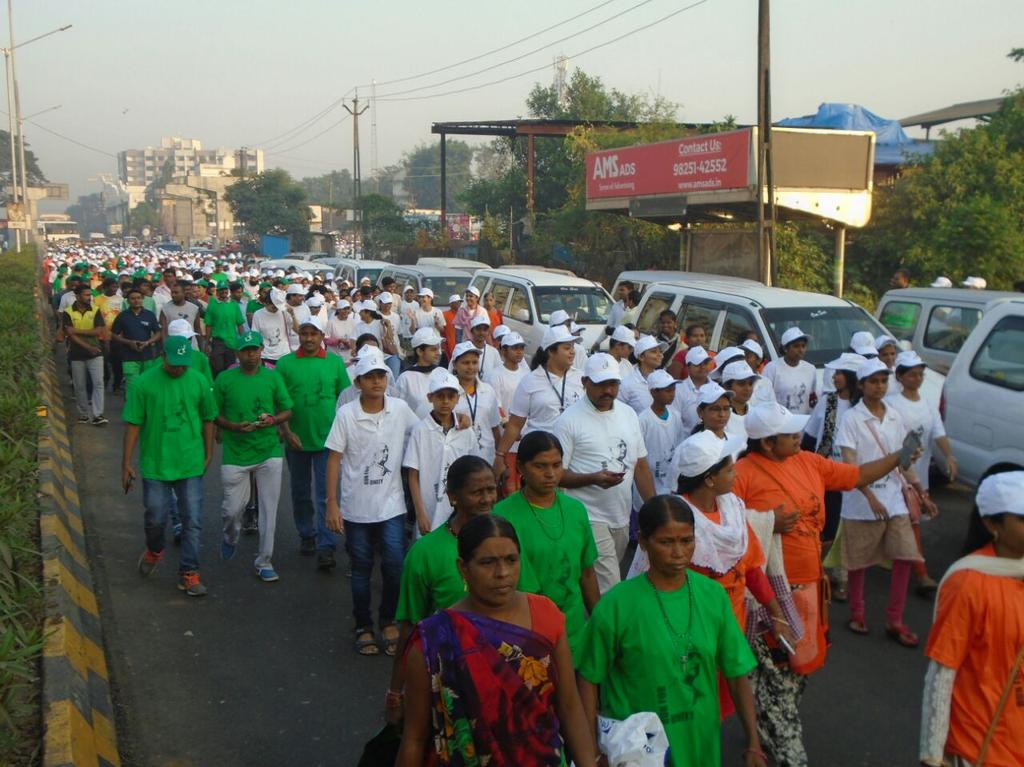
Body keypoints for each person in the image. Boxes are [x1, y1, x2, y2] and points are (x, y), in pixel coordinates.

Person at [733, 401, 921, 766]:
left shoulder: (808, 461)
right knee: (782, 679)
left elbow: (856, 476)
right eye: (790, 434)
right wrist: (765, 520)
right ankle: (784, 746)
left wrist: (899, 456)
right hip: (769, 597)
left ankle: (761, 723)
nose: (799, 437)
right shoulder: (741, 474)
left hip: (809, 590)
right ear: (767, 444)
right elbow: (725, 530)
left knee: (795, 676)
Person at [577, 495, 766, 767]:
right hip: (637, 753)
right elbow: (587, 678)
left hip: (700, 743)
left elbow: (736, 674)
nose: (678, 552)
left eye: (686, 540)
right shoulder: (617, 605)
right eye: (666, 542)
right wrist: (591, 749)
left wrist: (753, 743)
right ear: (643, 541)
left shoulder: (712, 595)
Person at [396, 514, 598, 767]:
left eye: (511, 560)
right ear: (463, 568)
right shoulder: (434, 639)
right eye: (487, 562)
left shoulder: (546, 615)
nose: (502, 573)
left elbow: (569, 706)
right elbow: (414, 737)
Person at [919, 471, 1024, 767]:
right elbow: (942, 671)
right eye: (1023, 519)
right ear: (993, 524)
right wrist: (932, 755)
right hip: (979, 746)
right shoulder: (968, 582)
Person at [836, 358, 937, 647]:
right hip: (860, 502)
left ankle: (895, 619)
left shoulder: (894, 416)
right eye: (874, 381)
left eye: (883, 381)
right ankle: (858, 612)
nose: (879, 386)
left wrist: (920, 492)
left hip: (893, 498)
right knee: (859, 562)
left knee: (905, 556)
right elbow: (850, 467)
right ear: (862, 385)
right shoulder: (852, 419)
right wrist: (869, 496)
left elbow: (901, 461)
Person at [325, 349, 418, 656]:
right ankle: (363, 624)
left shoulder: (400, 409)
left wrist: (456, 419)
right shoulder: (347, 415)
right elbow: (335, 459)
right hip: (357, 508)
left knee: (394, 565)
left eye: (381, 376)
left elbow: (423, 432)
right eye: (370, 377)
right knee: (362, 567)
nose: (377, 382)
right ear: (359, 382)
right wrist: (332, 504)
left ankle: (388, 618)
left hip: (392, 505)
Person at [122, 336, 218, 597]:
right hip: (156, 463)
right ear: (163, 357)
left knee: (193, 520)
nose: (179, 369)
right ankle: (155, 549)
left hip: (190, 462)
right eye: (174, 364)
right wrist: (126, 463)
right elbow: (133, 423)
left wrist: (209, 452)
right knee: (155, 517)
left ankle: (189, 571)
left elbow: (209, 418)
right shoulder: (143, 384)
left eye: (183, 364)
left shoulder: (198, 380)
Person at [553, 353, 656, 593]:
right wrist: (593, 479)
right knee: (609, 587)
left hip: (620, 515)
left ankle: (586, 622)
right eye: (600, 384)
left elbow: (640, 465)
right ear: (585, 382)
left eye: (613, 384)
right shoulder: (568, 421)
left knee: (593, 582)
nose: (608, 390)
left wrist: (654, 510)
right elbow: (557, 475)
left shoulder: (628, 414)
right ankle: (608, 630)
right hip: (587, 517)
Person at [493, 431, 600, 660]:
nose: (550, 474)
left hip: (573, 632)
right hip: (524, 634)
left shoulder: (575, 510)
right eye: (540, 466)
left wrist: (599, 622)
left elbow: (587, 573)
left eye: (556, 465)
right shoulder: (502, 516)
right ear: (521, 468)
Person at [213, 331, 293, 582]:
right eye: (246, 350)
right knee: (232, 509)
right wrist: (233, 427)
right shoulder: (225, 379)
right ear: (238, 353)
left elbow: (287, 409)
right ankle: (230, 536)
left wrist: (273, 421)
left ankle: (264, 560)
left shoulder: (273, 377)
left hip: (269, 450)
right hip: (236, 453)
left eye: (255, 349)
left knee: (269, 509)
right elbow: (214, 413)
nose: (251, 354)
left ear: (261, 350)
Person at [275, 317, 352, 571]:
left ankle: (326, 545)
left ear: (321, 336)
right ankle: (306, 534)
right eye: (304, 333)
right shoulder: (285, 363)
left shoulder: (334, 362)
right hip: (296, 439)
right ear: (299, 334)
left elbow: (345, 399)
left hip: (328, 440)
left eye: (313, 334)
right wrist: (286, 432)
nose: (308, 338)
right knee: (300, 492)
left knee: (326, 494)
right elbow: (278, 402)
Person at [887, 350, 957, 595]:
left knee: (908, 525)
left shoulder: (927, 404)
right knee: (910, 526)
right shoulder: (891, 405)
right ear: (900, 376)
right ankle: (921, 574)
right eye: (912, 374)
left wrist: (948, 456)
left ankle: (906, 567)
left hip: (919, 476)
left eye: (920, 374)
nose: (917, 379)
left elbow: (938, 433)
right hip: (895, 477)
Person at [492, 324, 584, 487]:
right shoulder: (530, 381)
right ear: (551, 351)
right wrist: (500, 455)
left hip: (576, 456)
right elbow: (515, 424)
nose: (572, 351)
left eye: (573, 347)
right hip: (540, 458)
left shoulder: (581, 379)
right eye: (566, 347)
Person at [403, 371, 476, 536]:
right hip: (429, 508)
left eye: (451, 396)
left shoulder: (466, 431)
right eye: (440, 396)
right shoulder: (420, 431)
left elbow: (472, 469)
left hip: (460, 507)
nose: (445, 401)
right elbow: (413, 475)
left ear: (458, 398)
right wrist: (420, 513)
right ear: (430, 397)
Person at [636, 369, 687, 501]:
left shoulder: (675, 415)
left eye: (673, 390)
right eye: (667, 391)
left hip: (668, 481)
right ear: (654, 392)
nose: (672, 394)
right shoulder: (643, 419)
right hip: (649, 482)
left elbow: (680, 444)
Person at [63, 282, 109, 425]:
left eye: (90, 295)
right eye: (86, 295)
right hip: (77, 353)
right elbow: (70, 335)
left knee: (98, 383)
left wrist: (77, 331)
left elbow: (98, 330)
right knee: (80, 385)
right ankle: (83, 413)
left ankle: (97, 415)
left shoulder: (95, 310)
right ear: (77, 296)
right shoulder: (68, 312)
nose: (90, 297)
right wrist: (88, 346)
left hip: (95, 353)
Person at [450, 341, 502, 463]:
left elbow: (495, 427)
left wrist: (500, 458)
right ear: (455, 364)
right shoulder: (448, 393)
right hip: (459, 457)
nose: (471, 367)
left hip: (486, 456)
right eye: (465, 363)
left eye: (474, 362)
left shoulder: (488, 391)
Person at [109, 286, 162, 395]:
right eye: (133, 298)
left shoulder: (149, 315)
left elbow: (158, 333)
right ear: (128, 301)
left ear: (143, 299)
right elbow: (113, 334)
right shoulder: (122, 316)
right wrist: (129, 342)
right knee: (132, 388)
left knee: (147, 387)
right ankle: (131, 410)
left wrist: (148, 342)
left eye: (139, 298)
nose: (136, 300)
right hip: (129, 357)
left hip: (147, 356)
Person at [762, 327, 817, 415]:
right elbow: (764, 399)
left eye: (803, 346)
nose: (801, 350)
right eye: (796, 346)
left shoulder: (811, 369)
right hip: (780, 423)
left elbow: (812, 399)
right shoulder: (772, 368)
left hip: (803, 423)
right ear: (785, 348)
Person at [395, 326, 442, 413]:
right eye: (433, 350)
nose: (438, 353)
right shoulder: (405, 378)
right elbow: (397, 408)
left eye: (438, 349)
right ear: (420, 351)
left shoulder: (442, 372)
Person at [205, 283, 245, 376]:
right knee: (217, 368)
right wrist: (207, 343)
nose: (224, 291)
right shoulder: (212, 305)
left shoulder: (234, 305)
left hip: (232, 342)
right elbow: (209, 325)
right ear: (217, 292)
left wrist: (243, 341)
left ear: (228, 291)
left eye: (225, 289)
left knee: (230, 368)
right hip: (217, 341)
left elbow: (240, 324)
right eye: (221, 289)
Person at [672, 345, 715, 434]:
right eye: (698, 364)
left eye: (705, 363)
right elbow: (674, 423)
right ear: (688, 367)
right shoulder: (678, 390)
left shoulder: (717, 389)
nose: (702, 366)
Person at [617, 334, 664, 414]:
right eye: (654, 352)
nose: (660, 355)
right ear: (641, 357)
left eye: (660, 351)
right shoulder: (627, 384)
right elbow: (618, 411)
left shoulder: (664, 378)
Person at [720, 361, 763, 442]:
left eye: (750, 384)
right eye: (741, 384)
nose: (747, 388)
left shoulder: (756, 414)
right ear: (727, 386)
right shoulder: (719, 417)